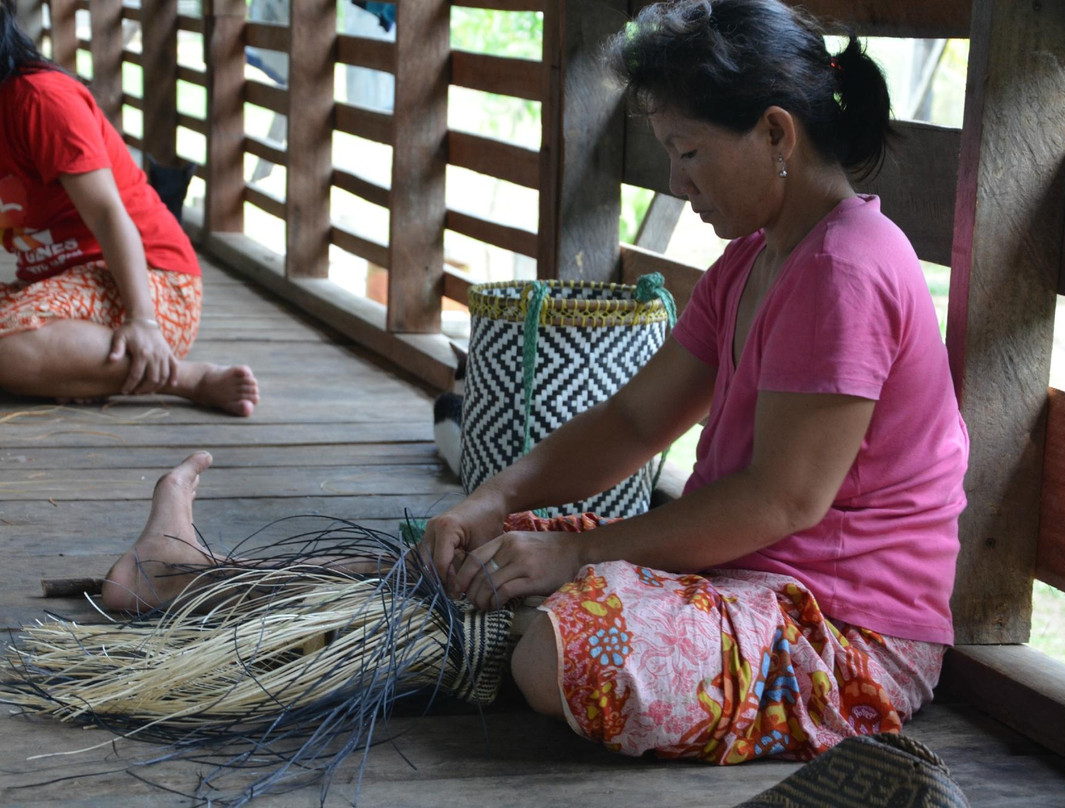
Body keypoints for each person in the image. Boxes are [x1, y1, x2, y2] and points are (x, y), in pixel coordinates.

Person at [100, 0, 968, 769]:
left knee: (558, 652)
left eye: (690, 152)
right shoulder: (754, 261)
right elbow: (633, 419)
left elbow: (781, 505)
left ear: (777, 134)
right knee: (475, 557)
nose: (678, 182)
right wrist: (495, 499)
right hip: (741, 581)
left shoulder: (845, 270)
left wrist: (580, 554)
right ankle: (191, 580)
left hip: (844, 638)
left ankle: (205, 596)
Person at [0, 2, 260, 416]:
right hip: (56, 291)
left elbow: (107, 213)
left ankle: (183, 377)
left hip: (151, 284)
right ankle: (71, 369)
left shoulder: (41, 100)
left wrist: (144, 321)